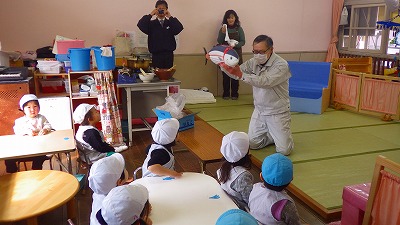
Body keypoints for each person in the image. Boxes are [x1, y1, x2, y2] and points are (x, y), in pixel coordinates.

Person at [219, 34, 294, 155]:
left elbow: (266, 82)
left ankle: (279, 135)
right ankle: (272, 135)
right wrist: (223, 64)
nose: (258, 55)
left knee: (284, 151)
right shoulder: (253, 62)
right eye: (255, 51)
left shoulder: (281, 65)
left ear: (271, 50)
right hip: (259, 110)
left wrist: (241, 75)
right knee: (253, 143)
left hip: (277, 111)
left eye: (261, 51)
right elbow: (237, 73)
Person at [248, 153, 301, 225]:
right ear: (291, 180)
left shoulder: (255, 188)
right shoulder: (285, 204)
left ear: (261, 176)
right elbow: (295, 223)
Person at [4, 94, 52, 173]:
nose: (32, 109)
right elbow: (17, 130)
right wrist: (28, 132)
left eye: (35, 106)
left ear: (39, 108)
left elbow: (48, 125)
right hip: (24, 149)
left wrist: (45, 129)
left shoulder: (41, 118)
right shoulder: (19, 121)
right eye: (28, 107)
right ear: (23, 109)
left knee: (40, 156)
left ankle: (36, 171)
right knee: (8, 158)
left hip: (39, 148)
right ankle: (12, 174)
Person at [137, 0, 184, 69]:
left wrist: (170, 16)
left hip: (168, 54)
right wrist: (151, 14)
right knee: (157, 75)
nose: (161, 11)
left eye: (163, 9)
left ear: (166, 10)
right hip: (156, 55)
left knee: (168, 75)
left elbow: (179, 28)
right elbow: (140, 25)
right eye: (159, 9)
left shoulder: (170, 23)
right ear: (156, 10)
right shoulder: (151, 24)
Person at [89, 153, 132, 225]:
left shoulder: (98, 193)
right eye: (124, 168)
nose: (126, 169)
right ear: (119, 182)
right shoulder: (119, 204)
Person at [217, 131, 253, 210]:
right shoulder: (243, 176)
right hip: (240, 210)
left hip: (226, 205)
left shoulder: (222, 169)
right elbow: (250, 200)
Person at [217, 9, 245, 100]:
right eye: (228, 18)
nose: (230, 19)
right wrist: (223, 33)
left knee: (235, 75)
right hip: (225, 55)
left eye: (232, 17)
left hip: (236, 55)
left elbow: (243, 42)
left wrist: (235, 44)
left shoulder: (239, 29)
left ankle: (235, 93)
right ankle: (225, 93)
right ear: (226, 19)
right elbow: (219, 41)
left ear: (235, 18)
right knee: (225, 75)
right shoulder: (223, 29)